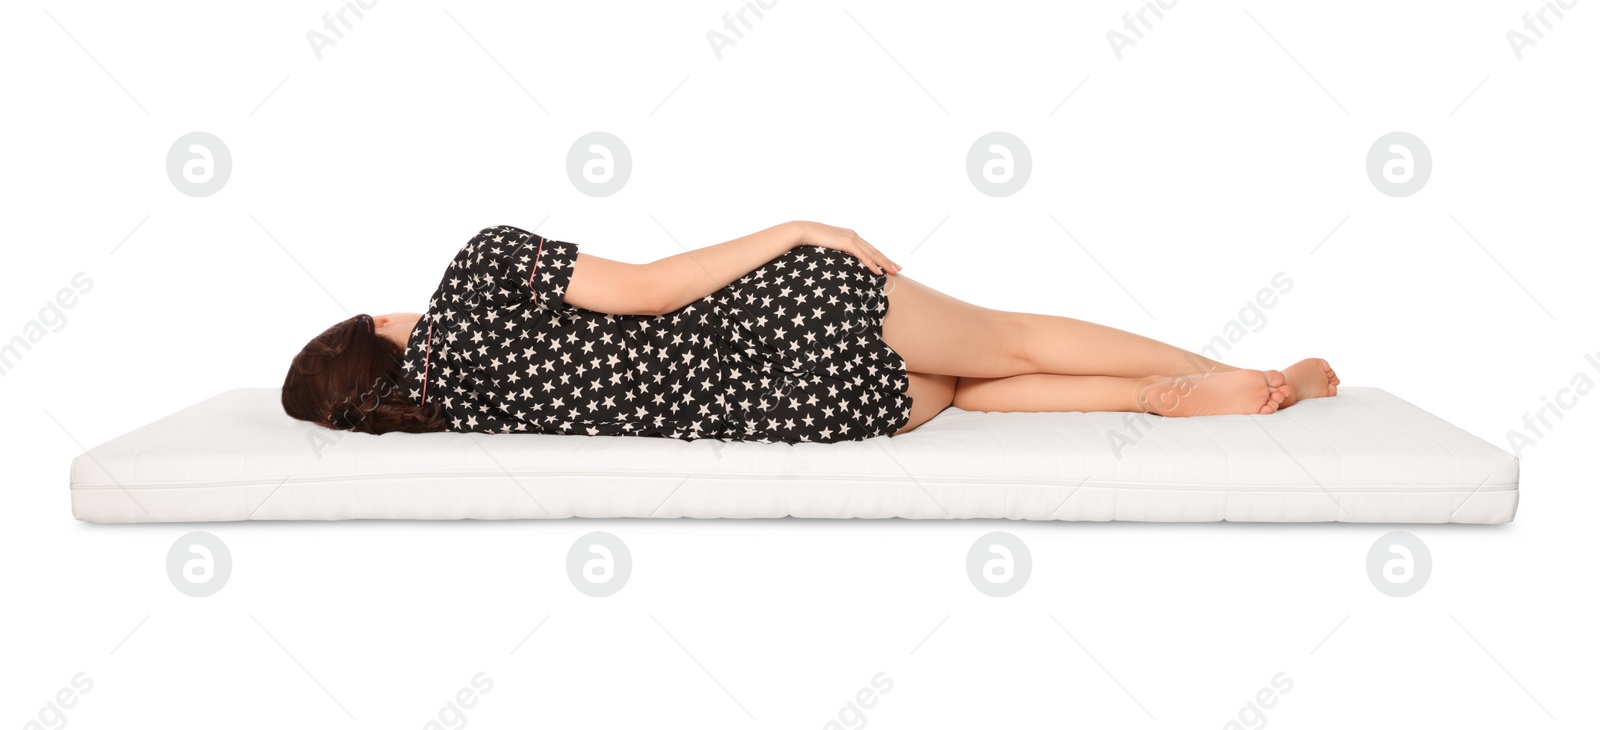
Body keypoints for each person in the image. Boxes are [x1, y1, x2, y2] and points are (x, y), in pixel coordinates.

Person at [282, 222, 1337, 443]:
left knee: (967, 386)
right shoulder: (474, 270)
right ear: (374, 322)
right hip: (795, 316)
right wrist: (793, 228)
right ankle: (1236, 373)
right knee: (1008, 336)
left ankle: (1147, 401)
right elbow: (649, 289)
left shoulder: (454, 416)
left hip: (810, 411)